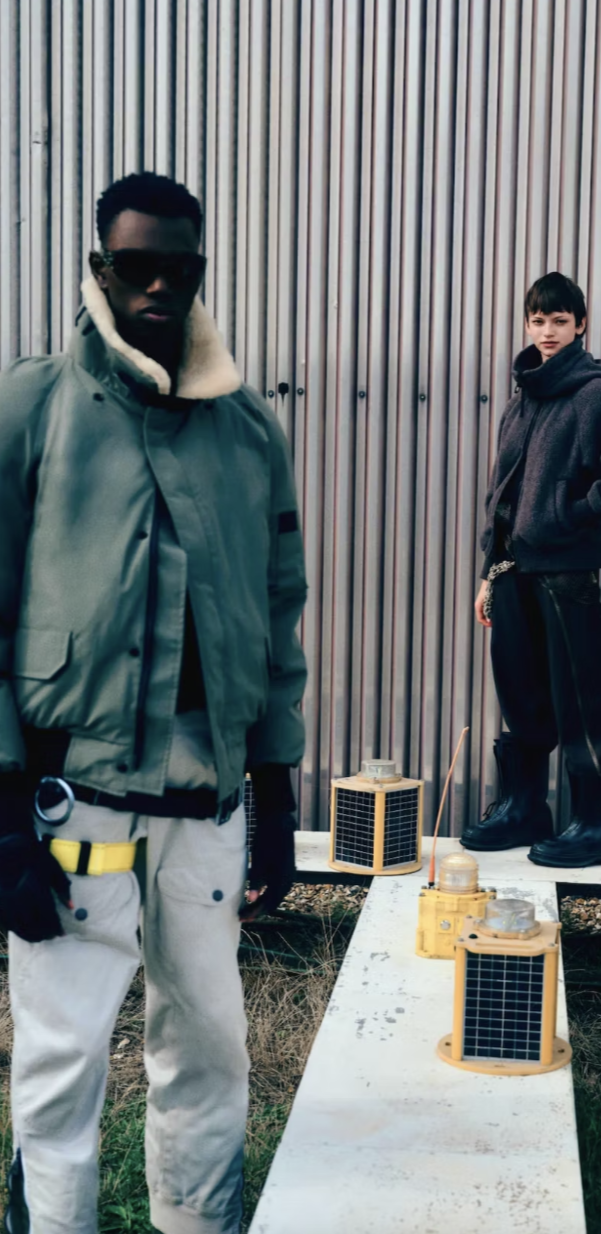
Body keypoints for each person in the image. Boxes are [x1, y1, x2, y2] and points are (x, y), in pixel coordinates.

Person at [0, 172, 308, 1234]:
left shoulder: (247, 431)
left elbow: (278, 615)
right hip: (74, 803)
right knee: (63, 1051)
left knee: (212, 1041)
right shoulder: (32, 409)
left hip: (205, 806)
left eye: (181, 266)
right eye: (138, 267)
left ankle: (200, 1220)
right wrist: (2, 818)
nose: (160, 287)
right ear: (101, 270)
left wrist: (273, 790)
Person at [462, 271, 601, 867]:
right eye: (538, 320)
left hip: (566, 577)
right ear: (527, 324)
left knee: (583, 701)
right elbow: (504, 495)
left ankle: (600, 825)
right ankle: (524, 808)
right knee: (520, 697)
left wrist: (567, 516)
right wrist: (489, 574)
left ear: (581, 325)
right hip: (515, 574)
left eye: (560, 321)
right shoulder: (524, 400)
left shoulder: (594, 395)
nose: (547, 331)